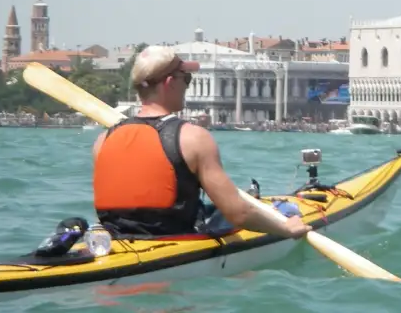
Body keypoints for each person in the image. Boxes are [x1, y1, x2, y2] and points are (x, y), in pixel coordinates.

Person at [91, 44, 312, 240]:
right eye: (186, 78)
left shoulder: (103, 141)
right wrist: (286, 229)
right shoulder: (193, 138)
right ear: (170, 83)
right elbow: (238, 213)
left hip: (117, 241)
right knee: (288, 210)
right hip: (175, 242)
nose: (188, 85)